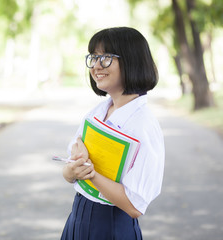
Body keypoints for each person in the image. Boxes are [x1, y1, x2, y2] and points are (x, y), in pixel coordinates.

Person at [60, 27, 165, 239]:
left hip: (111, 226)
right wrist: (73, 171)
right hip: (77, 218)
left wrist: (90, 174)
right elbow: (69, 173)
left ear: (131, 61)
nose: (96, 66)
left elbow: (135, 206)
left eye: (106, 58)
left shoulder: (143, 125)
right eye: (93, 57)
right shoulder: (97, 112)